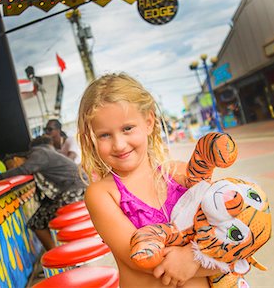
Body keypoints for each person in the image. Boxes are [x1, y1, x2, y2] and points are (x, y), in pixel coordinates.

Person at [77, 73, 218, 288]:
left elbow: (228, 230)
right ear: (92, 138)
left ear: (149, 122)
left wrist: (193, 259)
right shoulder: (102, 194)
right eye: (105, 135)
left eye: (127, 129)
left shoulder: (182, 174)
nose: (119, 144)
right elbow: (141, 260)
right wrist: (207, 260)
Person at [0, 136, 86, 251]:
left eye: (10, 167)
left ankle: (65, 254)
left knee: (39, 222)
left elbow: (23, 170)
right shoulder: (44, 155)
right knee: (37, 222)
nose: (12, 170)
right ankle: (58, 254)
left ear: (16, 159)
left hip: (76, 191)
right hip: (74, 190)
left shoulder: (39, 152)